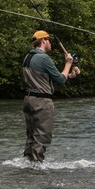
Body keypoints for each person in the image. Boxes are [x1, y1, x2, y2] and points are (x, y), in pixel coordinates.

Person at [22, 30, 79, 164]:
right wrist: (68, 63)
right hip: (42, 103)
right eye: (49, 40)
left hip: (29, 100)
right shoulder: (43, 58)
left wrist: (69, 75)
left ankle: (27, 163)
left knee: (31, 136)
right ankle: (36, 166)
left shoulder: (28, 57)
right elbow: (60, 79)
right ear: (43, 41)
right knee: (42, 135)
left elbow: (44, 80)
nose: (50, 43)